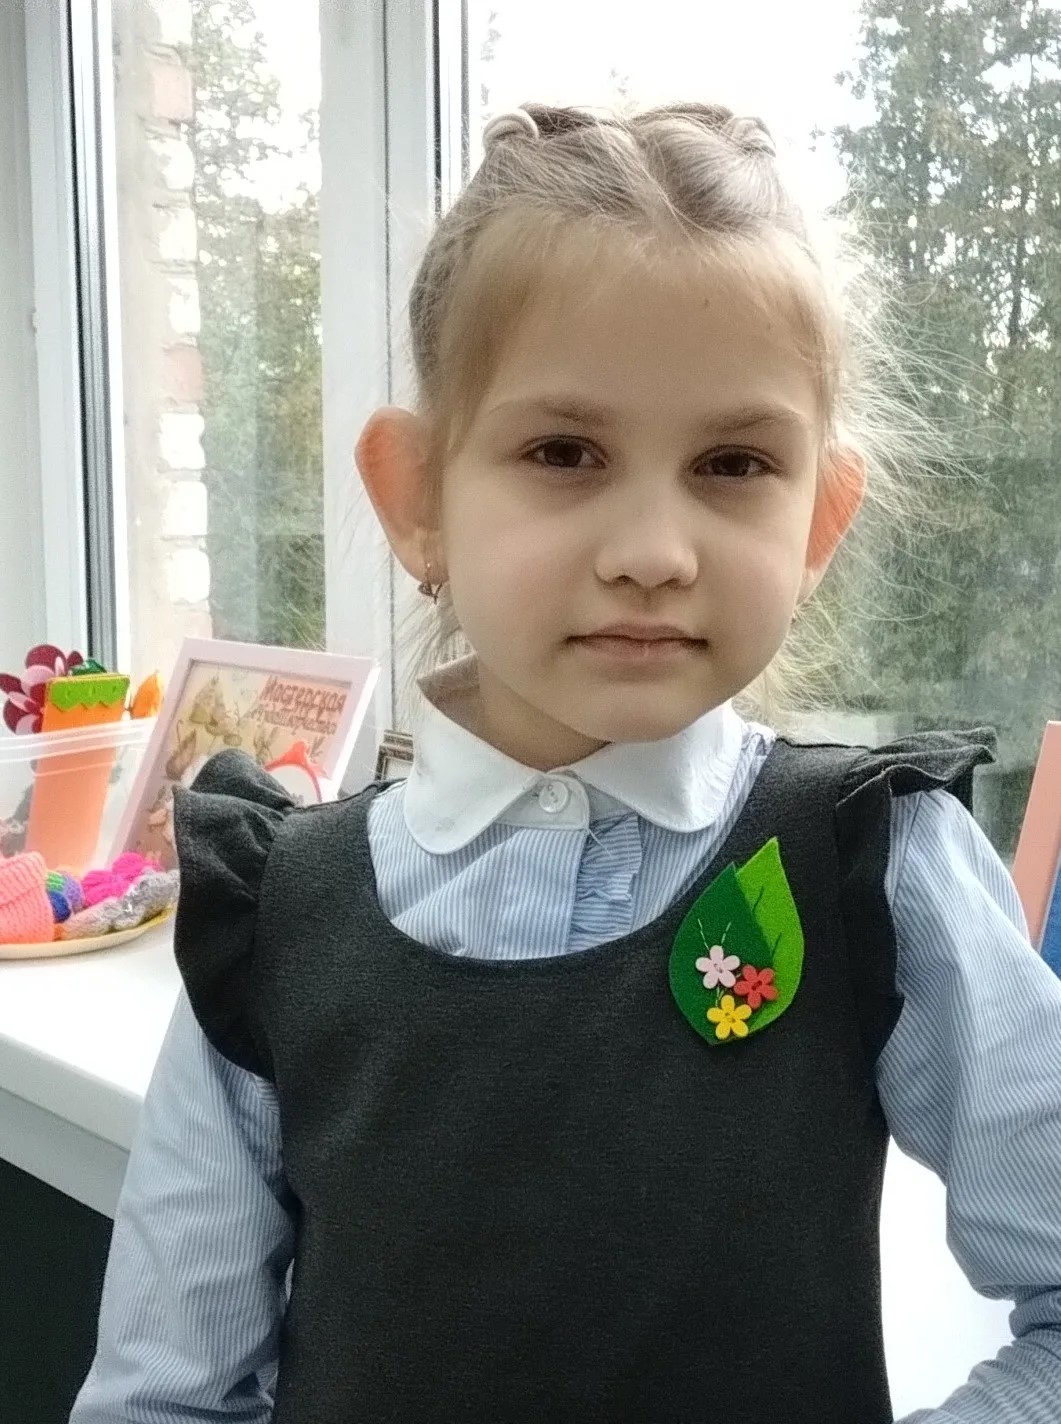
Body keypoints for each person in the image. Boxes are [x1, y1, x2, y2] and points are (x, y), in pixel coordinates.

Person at [71, 102, 1061, 1424]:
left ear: (819, 519)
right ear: (416, 496)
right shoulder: (272, 919)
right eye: (563, 453)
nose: (652, 550)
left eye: (733, 463)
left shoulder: (876, 869)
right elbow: (163, 1395)